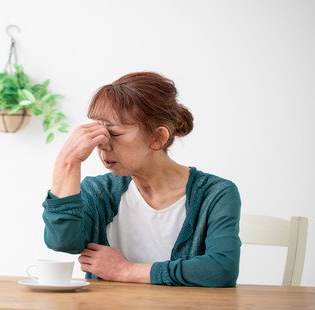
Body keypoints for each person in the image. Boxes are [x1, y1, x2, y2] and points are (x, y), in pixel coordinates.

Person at [42, 72, 241, 287]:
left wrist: (126, 271)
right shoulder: (99, 192)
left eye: (115, 133)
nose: (102, 144)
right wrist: (67, 161)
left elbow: (222, 269)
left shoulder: (215, 194)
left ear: (158, 138)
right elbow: (62, 241)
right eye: (98, 131)